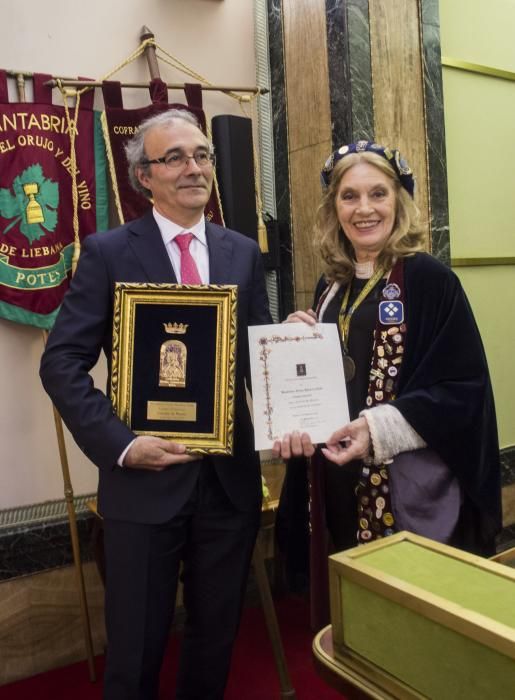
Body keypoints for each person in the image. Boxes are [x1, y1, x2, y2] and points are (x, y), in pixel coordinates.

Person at [40, 109, 272, 699]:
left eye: (202, 156)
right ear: (144, 175)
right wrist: (121, 445)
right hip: (142, 483)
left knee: (215, 637)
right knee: (136, 647)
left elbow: (256, 355)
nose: (194, 168)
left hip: (228, 483)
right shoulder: (109, 251)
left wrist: (292, 348)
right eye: (175, 158)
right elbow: (61, 363)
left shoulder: (242, 252)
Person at [273, 141, 502, 616]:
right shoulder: (331, 285)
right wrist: (299, 347)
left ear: (399, 200)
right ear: (333, 207)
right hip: (341, 477)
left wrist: (376, 429)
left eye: (378, 193)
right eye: (349, 196)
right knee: (361, 618)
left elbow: (464, 390)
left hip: (408, 484)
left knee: (418, 622)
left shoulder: (431, 281)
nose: (364, 209)